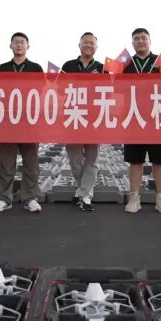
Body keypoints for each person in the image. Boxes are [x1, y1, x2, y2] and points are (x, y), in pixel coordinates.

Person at [122, 27, 161, 214]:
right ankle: (134, 197)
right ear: (132, 43)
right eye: (136, 38)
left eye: (143, 38)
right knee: (135, 161)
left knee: (159, 161)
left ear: (150, 41)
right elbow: (113, 87)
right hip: (134, 118)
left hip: (157, 119)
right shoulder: (125, 64)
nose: (140, 41)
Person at [0, 32, 45, 213]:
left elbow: (41, 93)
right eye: (16, 42)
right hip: (7, 123)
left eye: (22, 42)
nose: (19, 45)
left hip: (29, 123)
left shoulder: (36, 68)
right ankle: (4, 198)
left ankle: (30, 198)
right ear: (11, 46)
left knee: (31, 163)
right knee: (7, 164)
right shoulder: (2, 68)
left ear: (28, 46)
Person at [61, 32, 105, 212]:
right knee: (75, 160)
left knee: (92, 159)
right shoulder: (68, 66)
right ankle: (83, 191)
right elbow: (60, 89)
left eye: (92, 43)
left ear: (96, 47)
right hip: (73, 117)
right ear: (79, 45)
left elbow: (109, 91)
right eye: (85, 42)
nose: (88, 45)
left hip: (94, 118)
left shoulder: (102, 68)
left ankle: (85, 195)